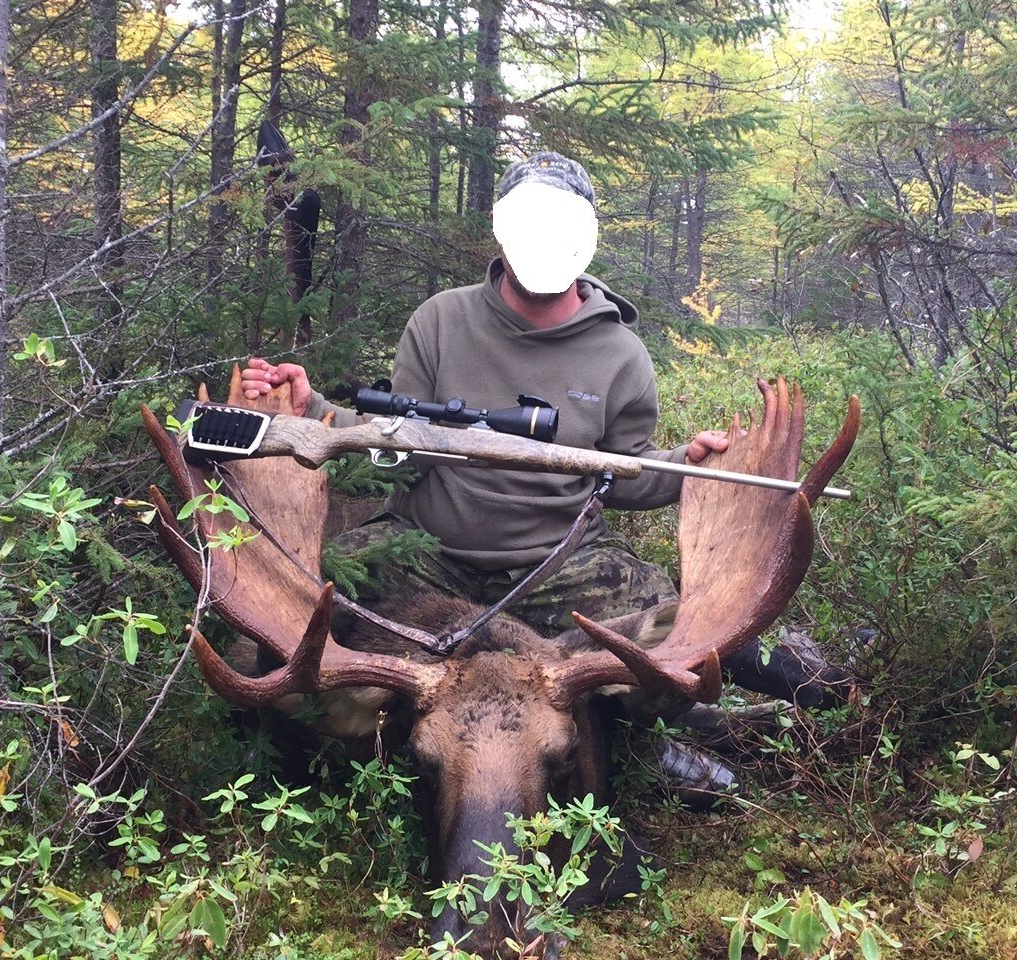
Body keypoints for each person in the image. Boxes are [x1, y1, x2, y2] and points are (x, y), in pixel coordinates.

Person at [239, 151, 848, 710]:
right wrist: (313, 406)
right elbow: (395, 439)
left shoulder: (621, 354)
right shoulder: (439, 321)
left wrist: (684, 460)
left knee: (674, 640)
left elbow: (622, 475)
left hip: (564, 566)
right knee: (294, 607)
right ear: (503, 232)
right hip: (425, 554)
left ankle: (632, 720)